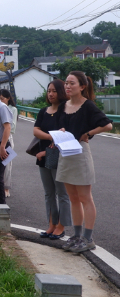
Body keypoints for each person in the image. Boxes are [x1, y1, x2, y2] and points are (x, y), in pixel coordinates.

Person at [56, 71, 112, 254]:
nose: (67, 86)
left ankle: (88, 238)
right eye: (66, 83)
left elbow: (108, 125)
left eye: (72, 83)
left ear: (82, 86)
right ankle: (77, 235)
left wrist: (89, 133)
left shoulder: (88, 105)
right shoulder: (64, 105)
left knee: (85, 198)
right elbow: (63, 125)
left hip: (80, 153)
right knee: (73, 198)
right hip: (66, 153)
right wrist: (62, 130)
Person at [32, 79, 71, 241]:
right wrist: (50, 136)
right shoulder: (43, 111)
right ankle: (51, 224)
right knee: (48, 193)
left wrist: (47, 150)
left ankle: (61, 226)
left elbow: (64, 135)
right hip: (43, 156)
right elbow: (36, 130)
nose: (51, 94)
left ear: (61, 92)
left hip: (59, 156)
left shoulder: (65, 111)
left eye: (54, 91)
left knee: (62, 193)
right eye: (49, 91)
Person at [0, 89, 19, 198]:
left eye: (2, 99)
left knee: (7, 164)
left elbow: (12, 127)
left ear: (8, 99)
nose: (0, 101)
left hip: (8, 138)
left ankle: (6, 188)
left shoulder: (13, 109)